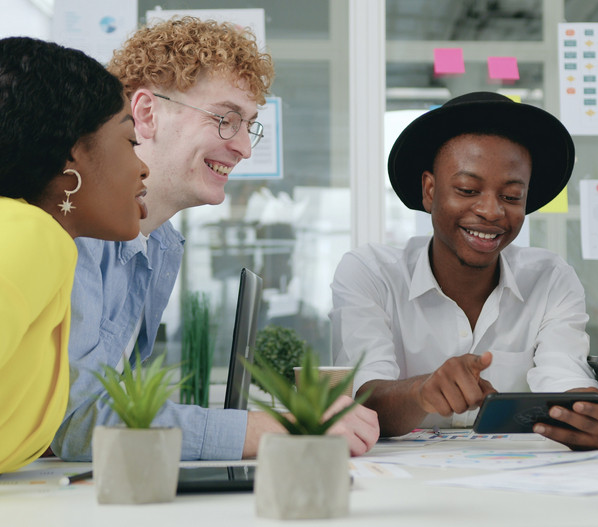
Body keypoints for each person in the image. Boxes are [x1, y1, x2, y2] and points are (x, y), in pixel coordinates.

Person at [51, 17, 379, 462]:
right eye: (226, 119)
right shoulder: (73, 230)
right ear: (147, 113)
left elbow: (122, 412)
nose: (244, 147)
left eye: (249, 125)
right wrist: (277, 429)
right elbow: (79, 422)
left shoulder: (161, 246)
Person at [331, 92, 598, 450]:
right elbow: (362, 397)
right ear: (429, 190)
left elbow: (563, 374)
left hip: (521, 485)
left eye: (512, 196)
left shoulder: (550, 279)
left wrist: (585, 412)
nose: (492, 211)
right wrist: (423, 392)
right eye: (468, 190)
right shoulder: (371, 274)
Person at [0, 37, 149, 499]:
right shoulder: (17, 231)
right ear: (72, 154)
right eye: (130, 140)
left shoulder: (32, 240)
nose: (142, 167)